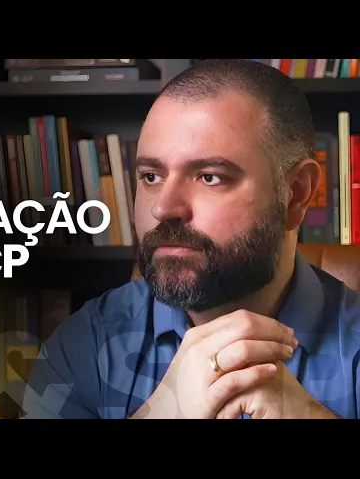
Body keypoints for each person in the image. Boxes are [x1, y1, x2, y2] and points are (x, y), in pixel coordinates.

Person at [20, 58, 360, 419]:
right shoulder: (83, 344)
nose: (163, 208)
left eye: (209, 177)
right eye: (151, 176)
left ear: (296, 193)